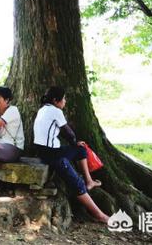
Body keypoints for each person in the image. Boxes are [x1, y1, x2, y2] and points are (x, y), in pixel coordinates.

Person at [33, 86, 109, 223]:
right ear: (56, 101)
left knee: (81, 150)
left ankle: (90, 181)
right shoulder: (55, 111)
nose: (65, 101)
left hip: (44, 151)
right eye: (64, 99)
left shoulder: (43, 109)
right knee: (77, 183)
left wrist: (75, 145)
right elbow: (68, 132)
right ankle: (99, 215)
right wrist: (74, 142)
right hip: (53, 155)